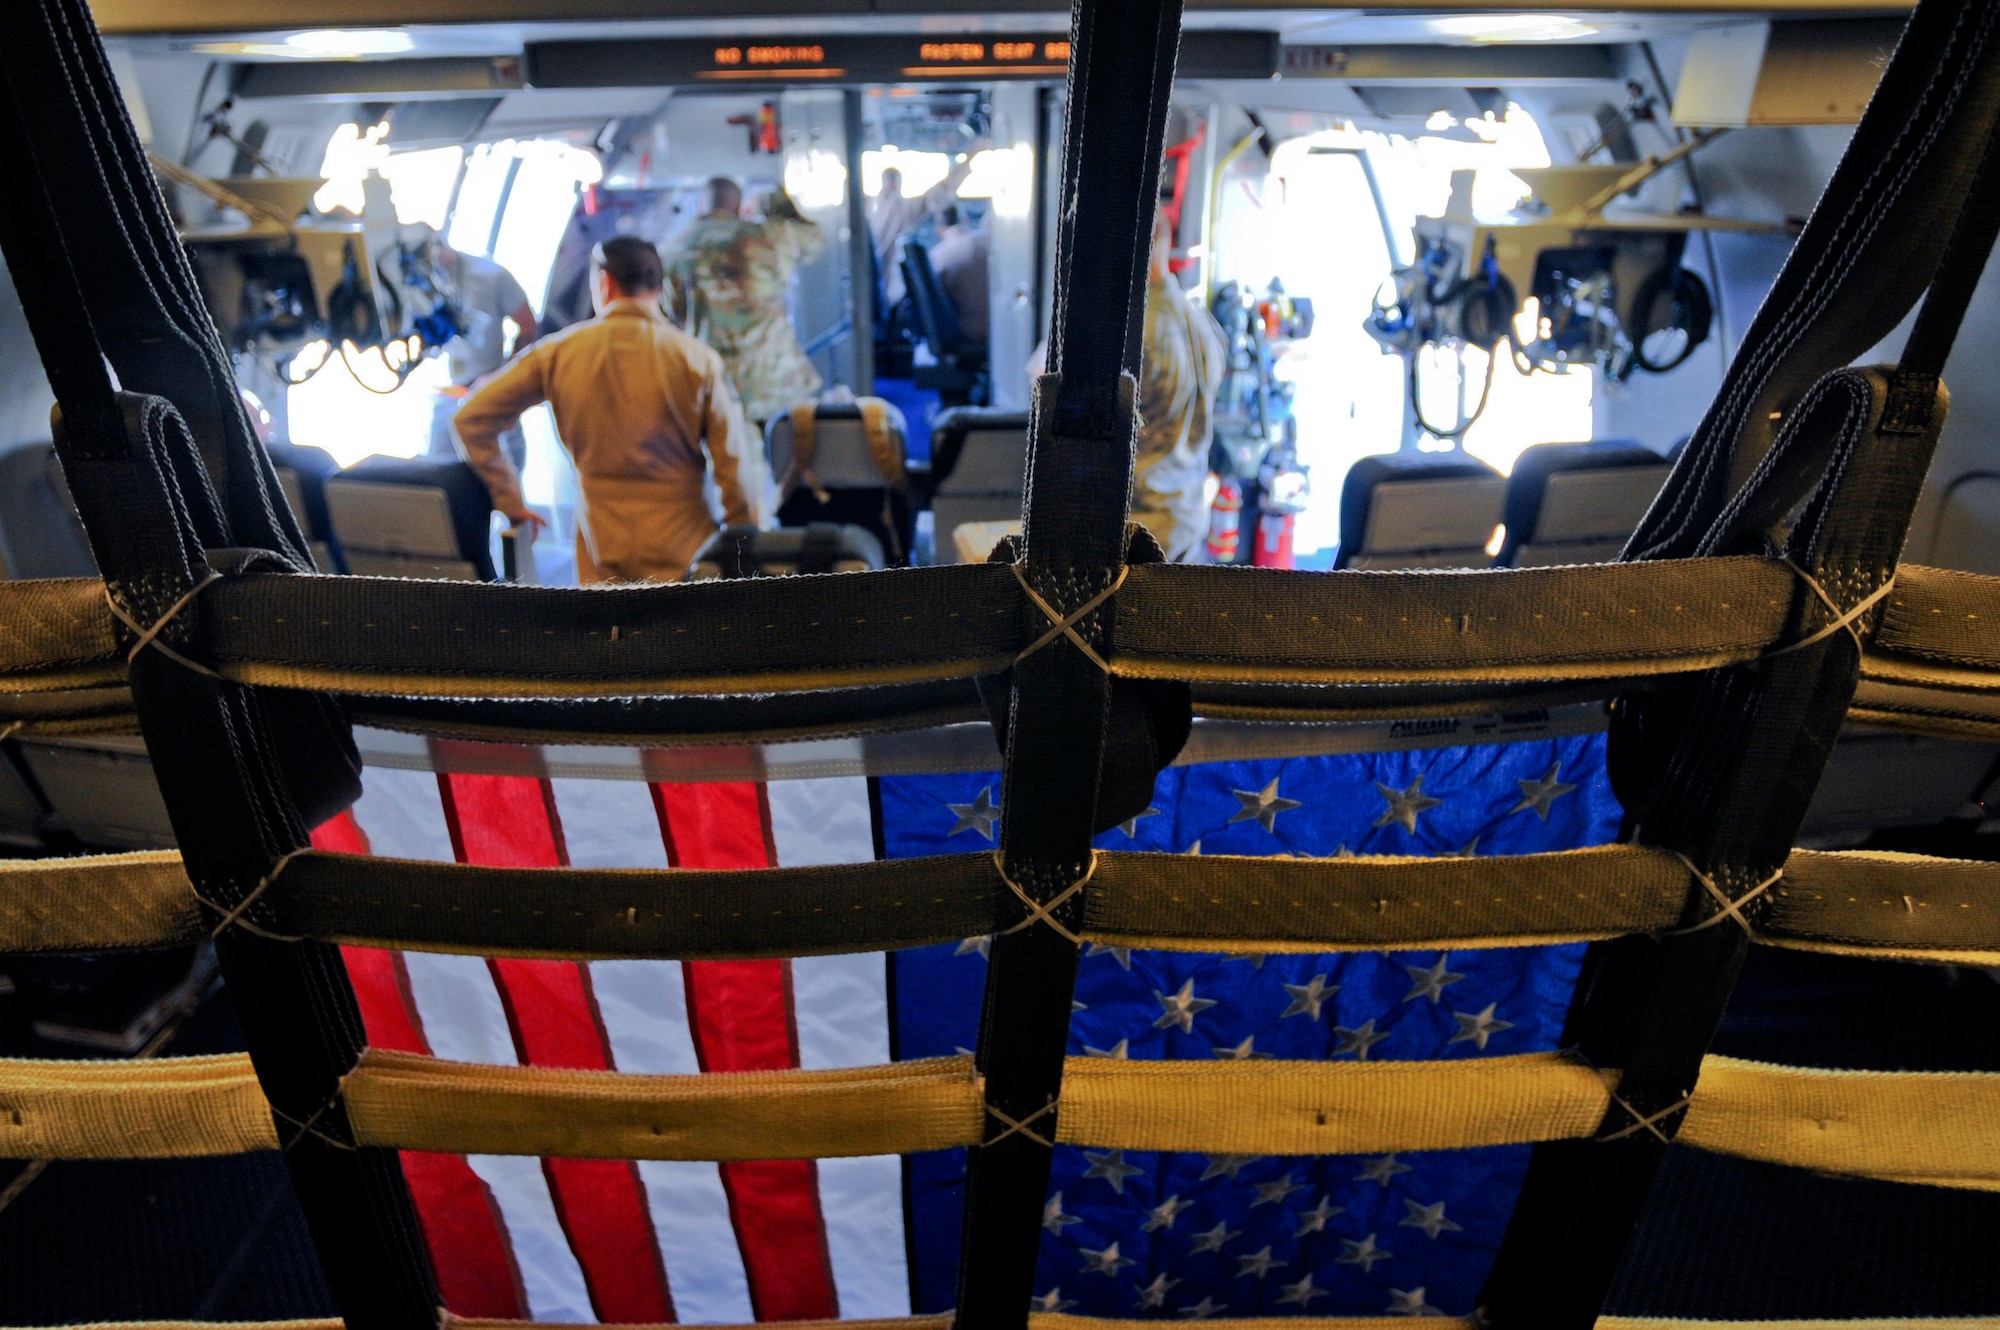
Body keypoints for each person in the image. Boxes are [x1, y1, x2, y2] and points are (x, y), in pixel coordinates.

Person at [453, 235, 766, 584]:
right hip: (685, 555)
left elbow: (471, 419)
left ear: (604, 281)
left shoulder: (556, 353)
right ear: (658, 288)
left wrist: (509, 500)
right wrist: (743, 544)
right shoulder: (696, 359)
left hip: (601, 559)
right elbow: (734, 467)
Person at [662, 177, 826, 426]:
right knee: (785, 455)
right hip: (775, 381)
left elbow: (671, 314)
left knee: (723, 458)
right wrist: (775, 201)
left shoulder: (671, 250)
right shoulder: (768, 239)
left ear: (699, 206)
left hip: (711, 384)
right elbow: (815, 241)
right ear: (740, 208)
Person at [1132, 211, 1225, 560]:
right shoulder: (1203, 322)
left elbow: (1041, 381)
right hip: (1185, 518)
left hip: (1137, 530)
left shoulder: (1132, 330)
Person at [407, 226, 541, 464]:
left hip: (488, 387)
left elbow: (528, 326)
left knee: (503, 471)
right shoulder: (417, 281)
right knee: (438, 470)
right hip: (447, 393)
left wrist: (502, 375)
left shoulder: (491, 275)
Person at [869, 155, 974, 308]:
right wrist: (970, 159)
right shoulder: (896, 208)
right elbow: (939, 192)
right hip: (883, 297)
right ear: (896, 185)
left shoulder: (867, 206)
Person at [928, 205, 990, 347]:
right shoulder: (986, 242)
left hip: (967, 331)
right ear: (965, 221)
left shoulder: (938, 255)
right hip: (997, 326)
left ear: (939, 229)